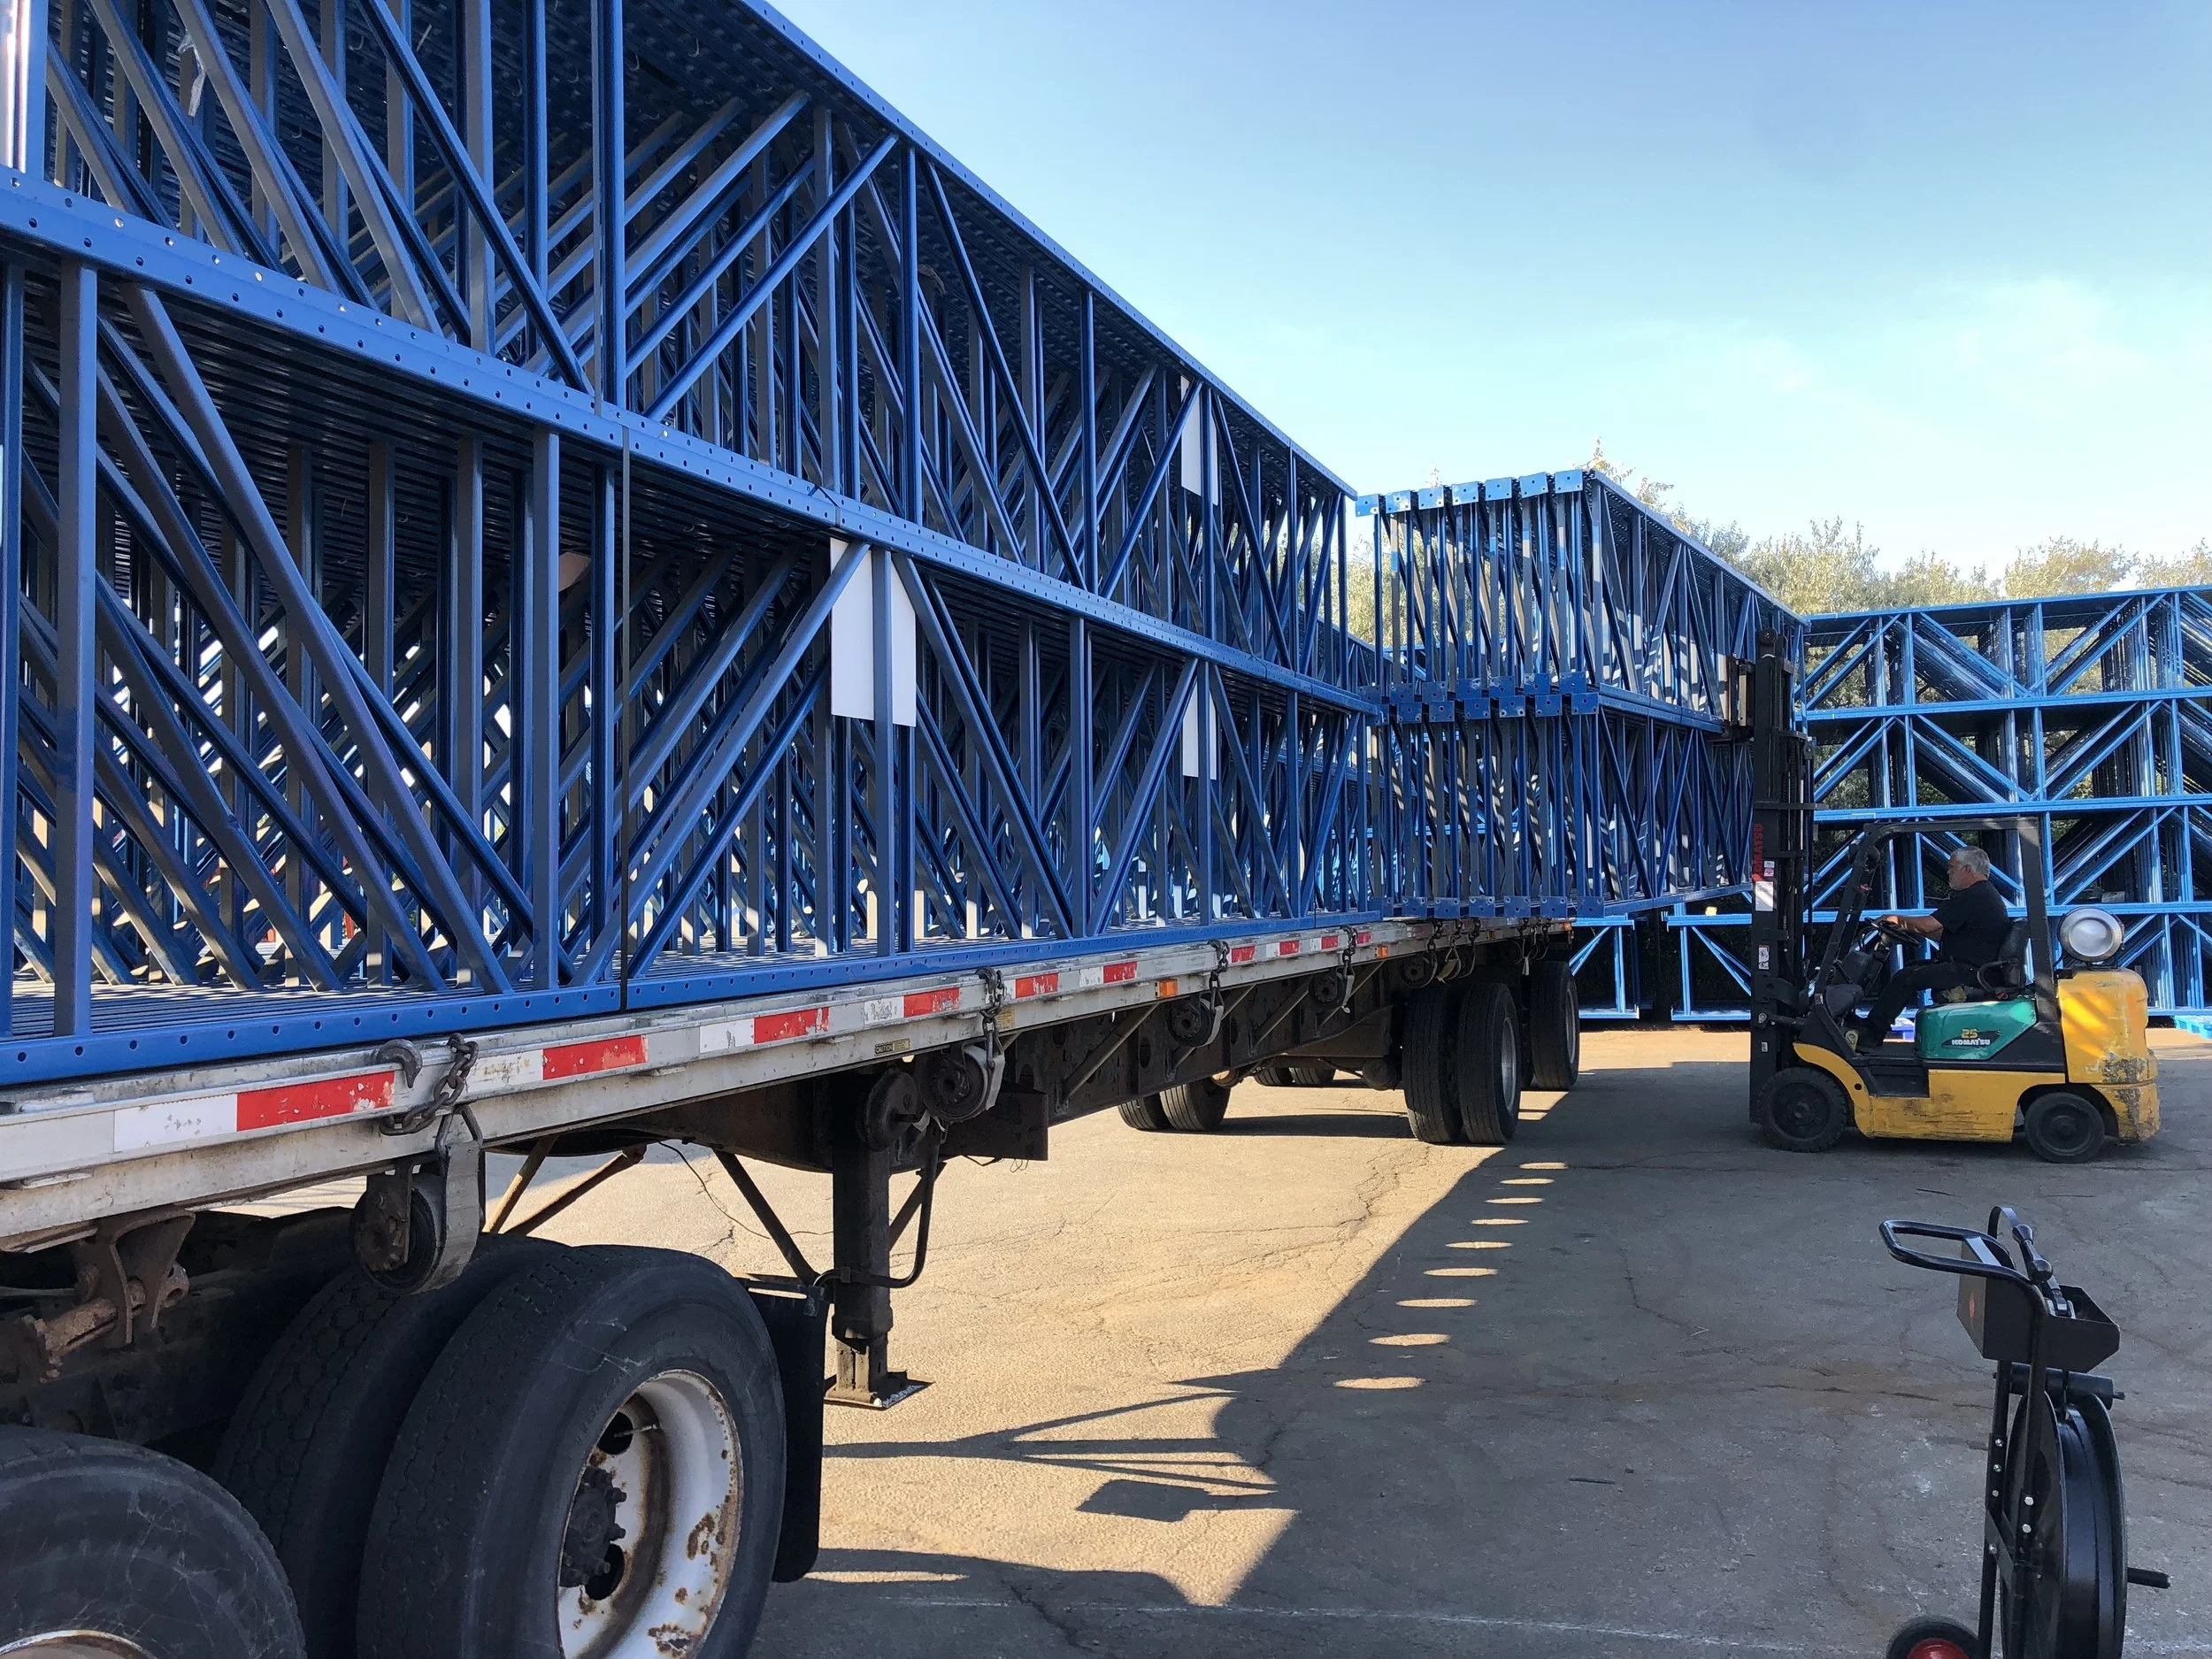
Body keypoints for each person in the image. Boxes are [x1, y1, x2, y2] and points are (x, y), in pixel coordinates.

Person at [1855, 846, 2013, 1047]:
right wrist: (1909, 929)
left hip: (1972, 971)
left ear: (1967, 869)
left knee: (1906, 978)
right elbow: (1940, 933)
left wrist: (1893, 918)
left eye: (1952, 868)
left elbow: (1929, 924)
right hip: (1973, 966)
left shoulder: (1973, 896)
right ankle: (1874, 1025)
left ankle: (1872, 1033)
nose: (1948, 872)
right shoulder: (1982, 894)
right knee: (1912, 967)